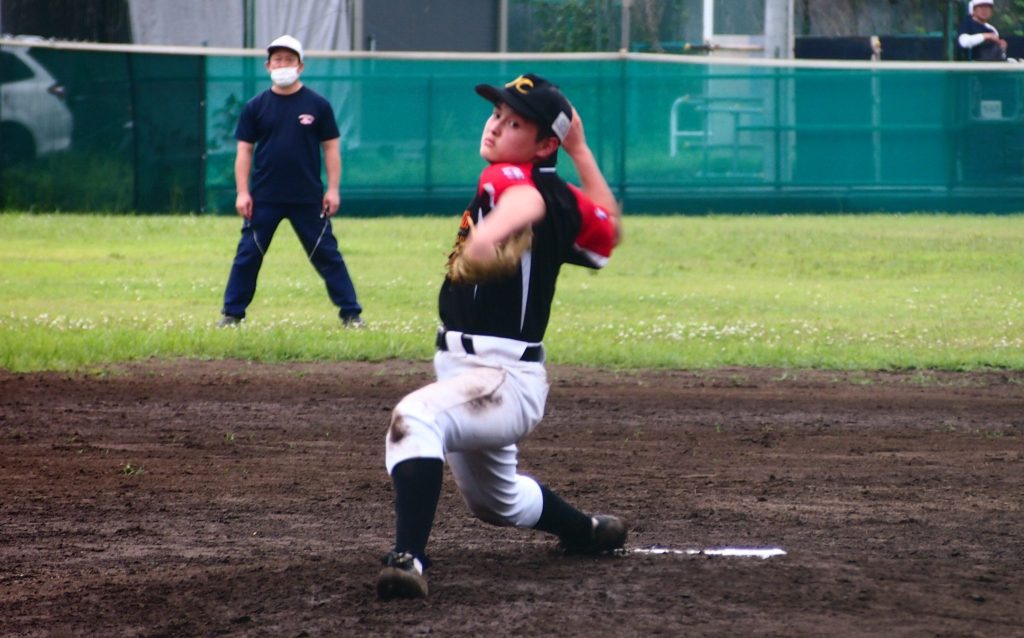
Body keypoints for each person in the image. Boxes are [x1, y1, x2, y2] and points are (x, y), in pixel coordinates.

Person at [375, 73, 625, 601]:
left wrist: (487, 235)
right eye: (496, 114)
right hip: (484, 374)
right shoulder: (567, 199)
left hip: (500, 377)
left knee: (415, 418)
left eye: (514, 124)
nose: (494, 126)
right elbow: (608, 229)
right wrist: (581, 152)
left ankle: (408, 559)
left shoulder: (513, 177)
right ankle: (586, 531)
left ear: (544, 145)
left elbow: (523, 202)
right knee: (496, 502)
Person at [218, 35, 364, 328]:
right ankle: (232, 314)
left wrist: (333, 190)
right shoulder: (255, 106)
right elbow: (244, 151)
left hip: (307, 197)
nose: (282, 65)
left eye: (289, 60)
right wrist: (243, 192)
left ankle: (351, 314)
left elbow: (331, 148)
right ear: (268, 65)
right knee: (248, 254)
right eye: (277, 60)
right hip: (264, 198)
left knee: (327, 254)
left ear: (300, 66)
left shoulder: (318, 105)